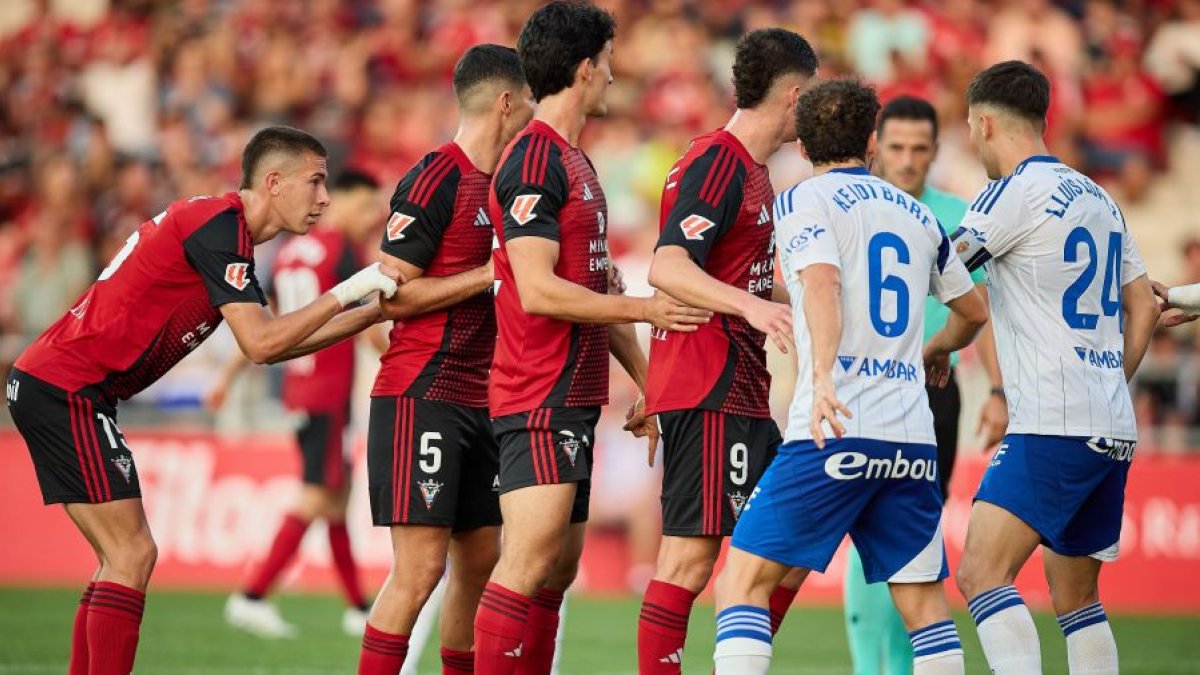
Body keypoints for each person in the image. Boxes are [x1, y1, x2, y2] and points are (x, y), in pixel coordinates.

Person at [5, 125, 400, 675]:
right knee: (132, 555)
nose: (324, 198)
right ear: (274, 181)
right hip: (68, 387)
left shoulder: (223, 230)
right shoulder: (220, 227)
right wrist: (352, 289)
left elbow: (273, 341)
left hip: (61, 385)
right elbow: (263, 343)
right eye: (315, 182)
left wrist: (373, 312)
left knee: (116, 561)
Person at [711, 79, 988, 675]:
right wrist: (939, 350)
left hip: (836, 425)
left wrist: (826, 375)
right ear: (871, 141)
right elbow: (973, 311)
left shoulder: (802, 200)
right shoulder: (920, 216)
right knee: (923, 605)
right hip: (912, 439)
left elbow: (822, 283)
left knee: (741, 581)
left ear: (804, 148)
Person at [471, 3, 711, 673]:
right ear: (584, 68)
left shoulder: (576, 162)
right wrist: (649, 308)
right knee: (527, 558)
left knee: (557, 566)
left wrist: (648, 380)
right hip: (535, 389)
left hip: (572, 392)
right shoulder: (533, 161)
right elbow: (540, 290)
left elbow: (597, 286)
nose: (614, 74)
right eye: (608, 61)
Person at [949, 60, 1159, 674]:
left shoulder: (1011, 192)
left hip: (1053, 422)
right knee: (1078, 601)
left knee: (981, 572)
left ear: (984, 124)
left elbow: (949, 270)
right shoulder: (1098, 196)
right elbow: (1143, 303)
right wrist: (1112, 379)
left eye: (969, 128)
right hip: (1110, 425)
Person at [638, 28, 816, 674]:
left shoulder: (748, 170)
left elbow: (729, 269)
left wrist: (793, 295)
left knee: (793, 539)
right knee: (688, 560)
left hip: (736, 384)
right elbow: (667, 265)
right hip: (709, 379)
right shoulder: (720, 159)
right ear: (794, 94)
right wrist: (752, 305)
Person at [355, 44, 535, 675]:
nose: (537, 112)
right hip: (422, 392)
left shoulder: (513, 184)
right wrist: (487, 274)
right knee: (420, 569)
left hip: (487, 399)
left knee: (480, 563)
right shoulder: (437, 175)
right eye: (531, 99)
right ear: (508, 102)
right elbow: (391, 295)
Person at [842, 95, 1005, 675]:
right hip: (862, 386)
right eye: (896, 147)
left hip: (935, 391)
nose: (908, 160)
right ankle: (871, 667)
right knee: (863, 532)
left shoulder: (958, 216)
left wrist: (998, 392)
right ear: (874, 149)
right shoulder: (852, 208)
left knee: (915, 536)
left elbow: (978, 310)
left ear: (936, 151)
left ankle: (908, 668)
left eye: (919, 148)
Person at [213, 170, 386, 639]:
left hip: (299, 389)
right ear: (344, 202)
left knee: (336, 496)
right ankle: (252, 596)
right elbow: (366, 319)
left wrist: (227, 378)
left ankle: (356, 606)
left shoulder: (289, 252)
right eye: (367, 207)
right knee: (317, 496)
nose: (373, 218)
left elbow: (262, 321)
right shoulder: (342, 251)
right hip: (328, 392)